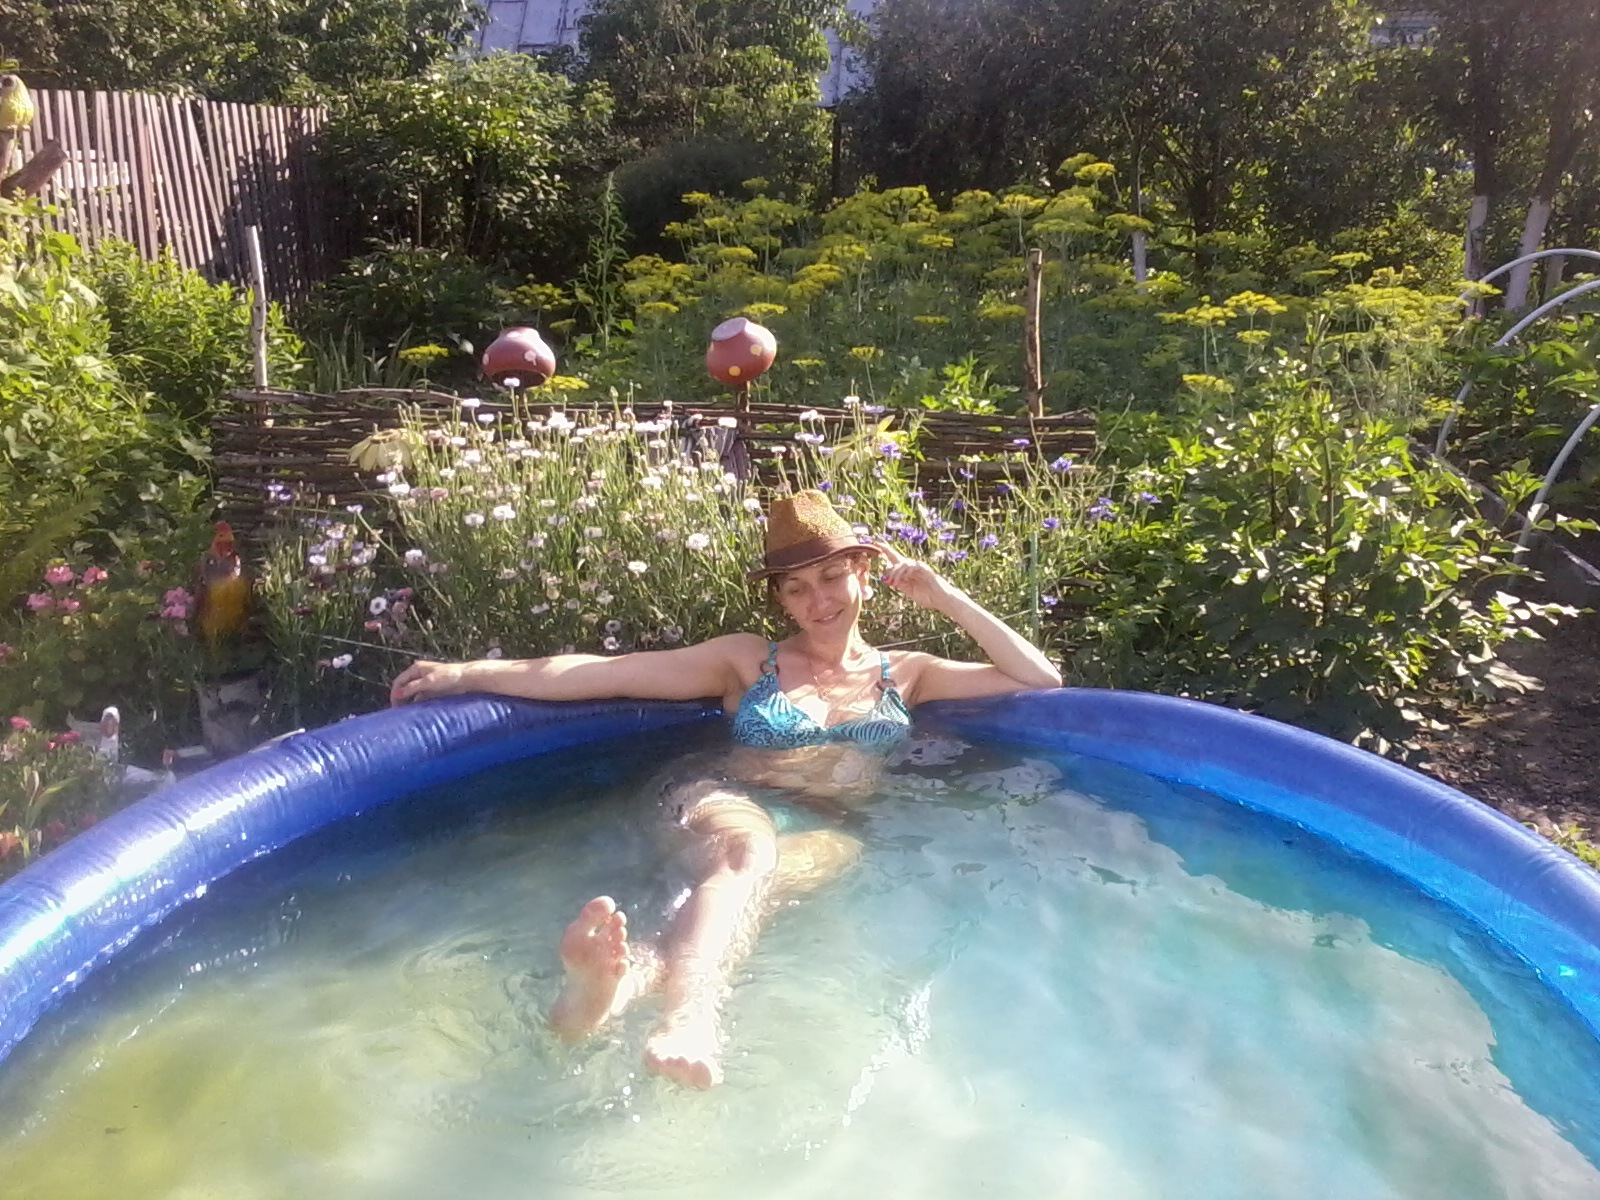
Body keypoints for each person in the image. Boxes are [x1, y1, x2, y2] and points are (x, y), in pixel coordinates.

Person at [389, 489, 1061, 1088]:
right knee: (747, 855)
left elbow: (1041, 680)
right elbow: (602, 673)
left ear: (864, 572)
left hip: (824, 824)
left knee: (745, 900)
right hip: (718, 799)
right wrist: (466, 674)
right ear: (781, 600)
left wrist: (943, 595)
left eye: (832, 577)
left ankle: (620, 985)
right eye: (796, 589)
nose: (819, 602)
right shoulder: (747, 660)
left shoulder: (908, 673)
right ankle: (691, 1019)